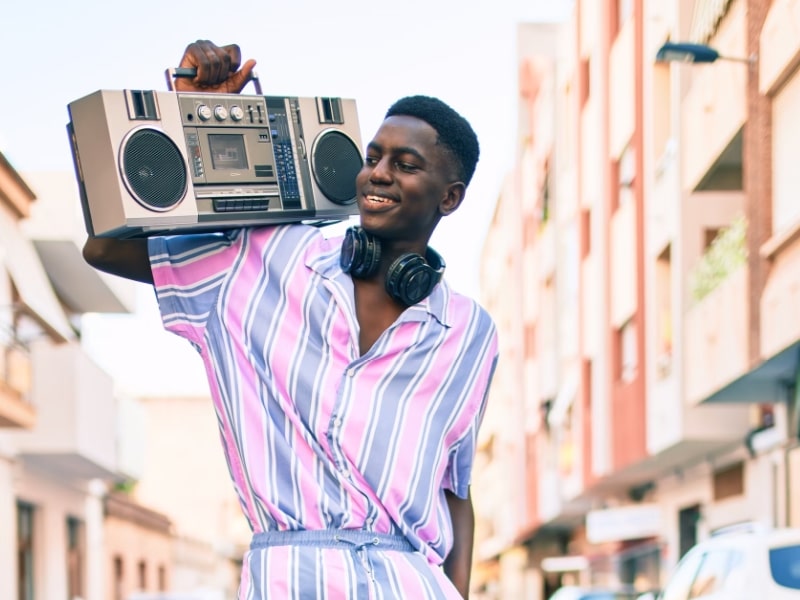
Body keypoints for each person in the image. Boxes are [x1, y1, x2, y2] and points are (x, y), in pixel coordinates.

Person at [83, 40, 498, 599]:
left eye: (405, 165)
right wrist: (189, 124)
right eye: (373, 157)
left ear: (450, 198)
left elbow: (456, 490)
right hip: (287, 579)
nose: (377, 174)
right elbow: (104, 250)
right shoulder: (263, 259)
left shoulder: (471, 332)